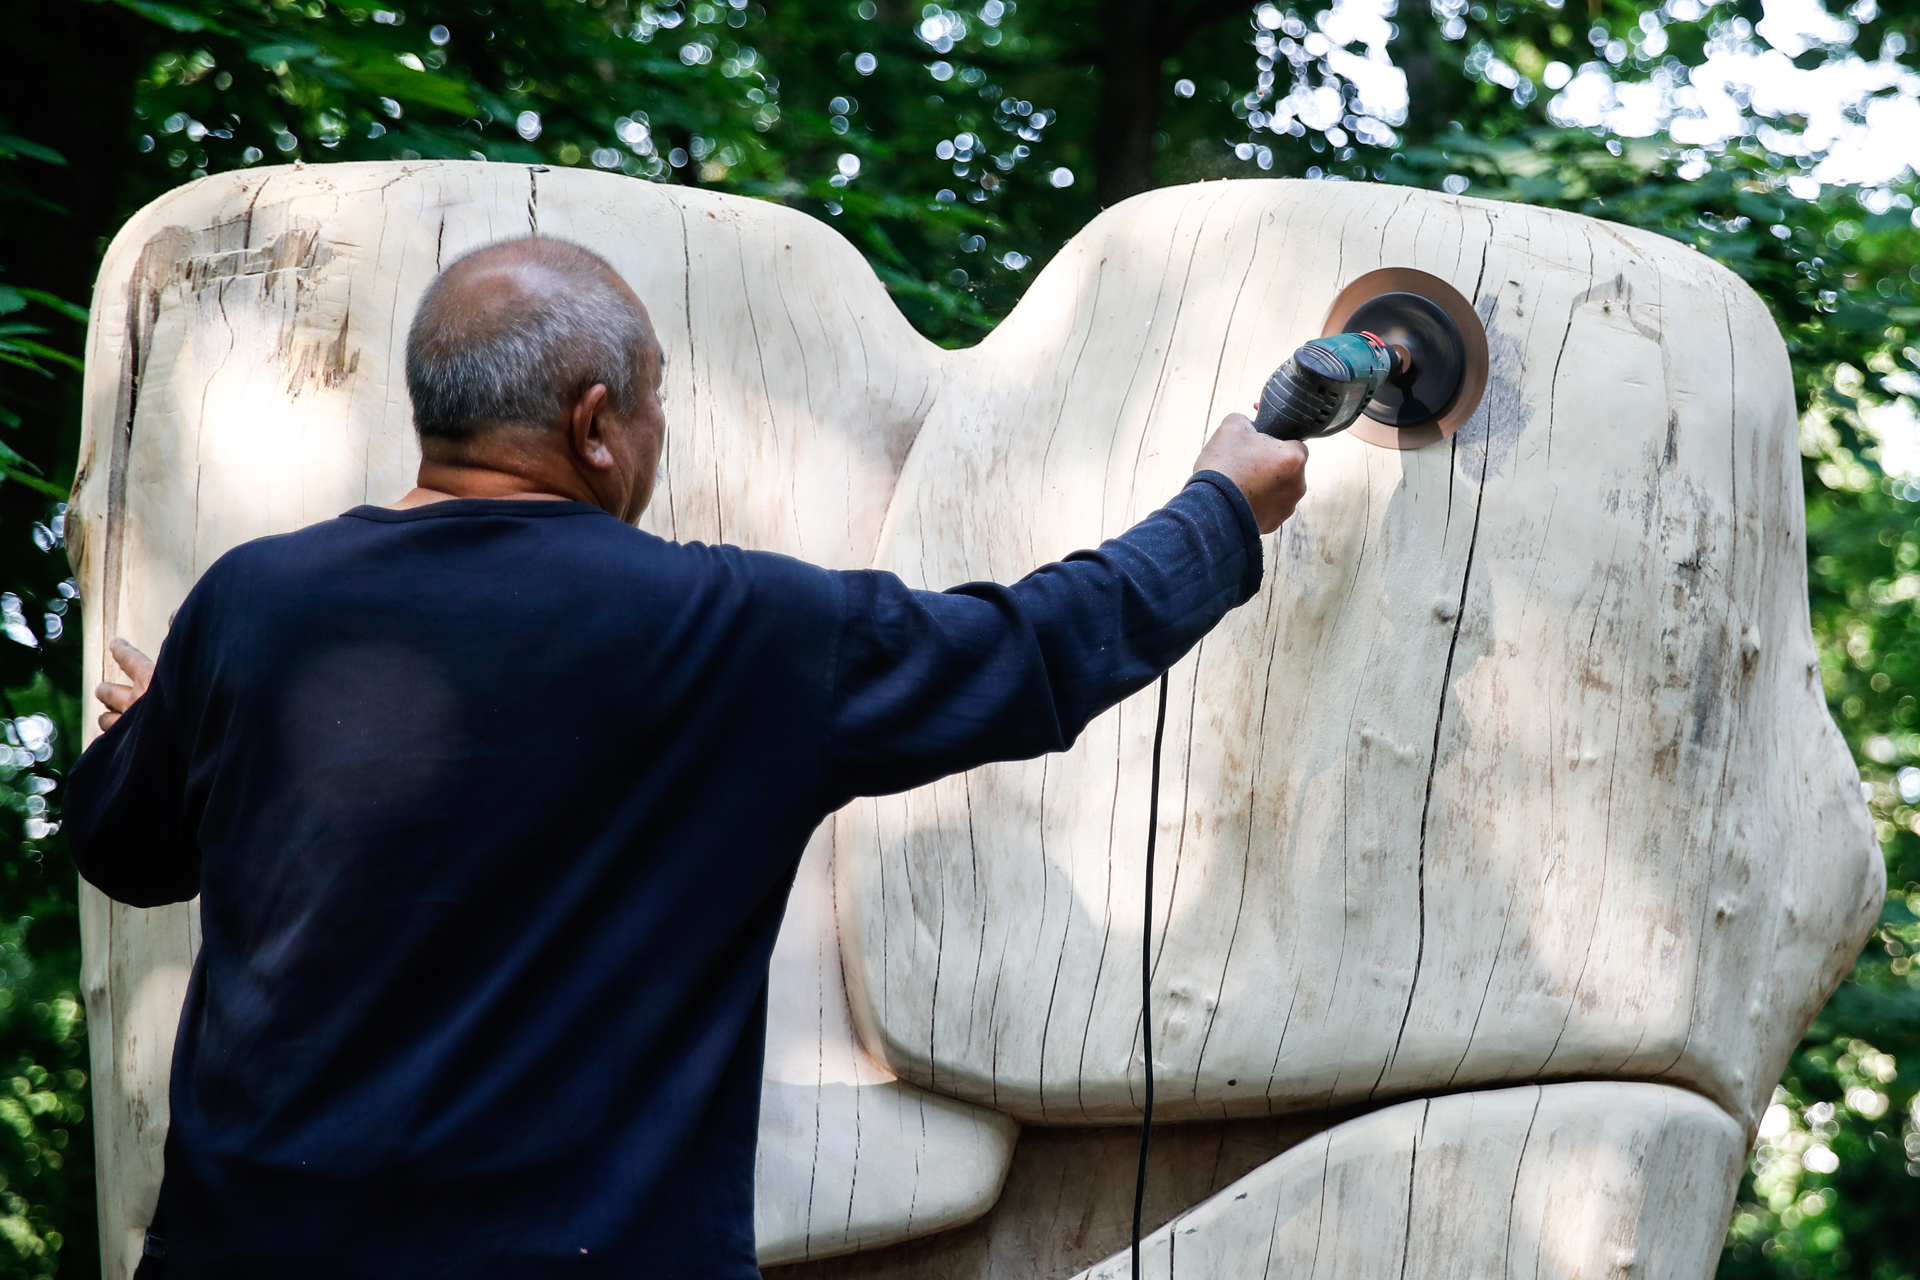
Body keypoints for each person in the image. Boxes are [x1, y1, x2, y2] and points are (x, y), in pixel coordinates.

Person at [68, 238, 1307, 1278]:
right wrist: (1221, 503)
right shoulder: (738, 633)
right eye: (656, 398)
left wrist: (151, 738)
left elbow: (126, 853)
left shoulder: (253, 605)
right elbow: (1037, 649)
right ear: (597, 424)